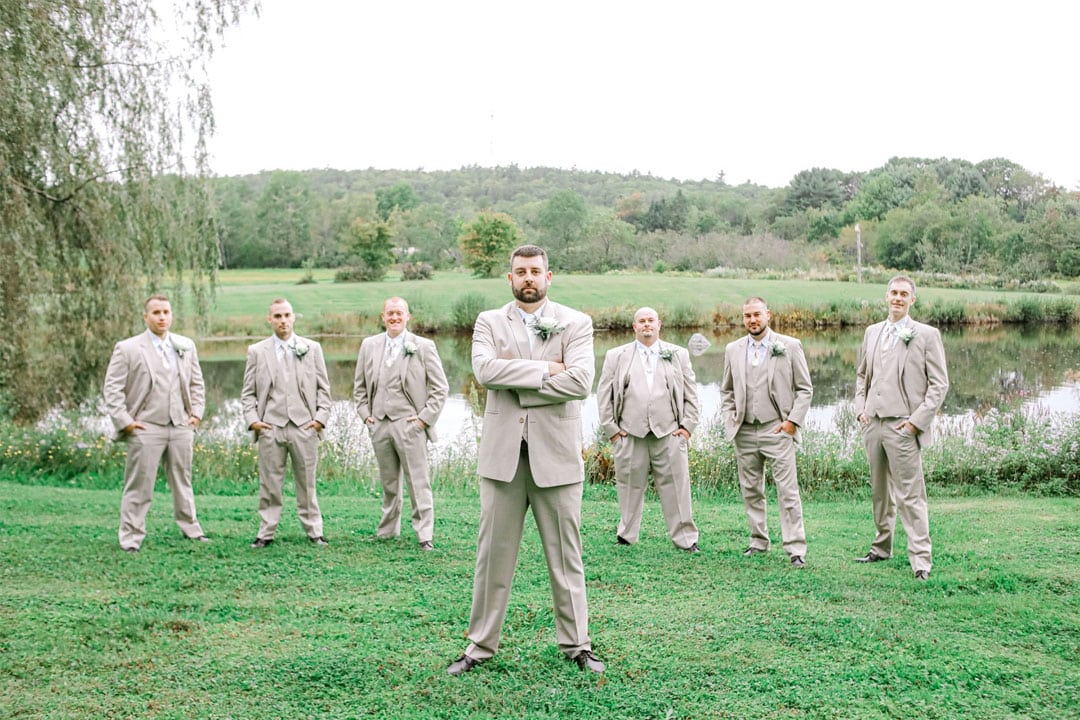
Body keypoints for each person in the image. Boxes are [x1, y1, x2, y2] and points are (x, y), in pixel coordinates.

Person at [446, 245, 604, 676]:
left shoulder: (577, 322)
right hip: (503, 460)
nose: (528, 278)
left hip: (556, 456)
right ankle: (479, 647)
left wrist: (516, 375)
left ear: (549, 277)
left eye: (535, 271)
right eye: (521, 272)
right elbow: (484, 373)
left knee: (566, 556)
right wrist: (548, 370)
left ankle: (577, 645)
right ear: (510, 279)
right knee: (491, 557)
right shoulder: (488, 322)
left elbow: (581, 381)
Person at [854, 275, 949, 581]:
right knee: (880, 493)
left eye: (903, 294)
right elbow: (861, 376)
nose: (897, 298)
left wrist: (915, 422)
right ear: (886, 296)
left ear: (912, 300)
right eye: (893, 292)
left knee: (910, 495)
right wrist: (860, 410)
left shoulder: (925, 335)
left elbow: (939, 385)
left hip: (903, 427)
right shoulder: (872, 332)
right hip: (874, 425)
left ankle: (921, 560)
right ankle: (882, 547)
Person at [103, 294, 209, 552]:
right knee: (139, 485)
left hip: (181, 426)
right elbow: (112, 389)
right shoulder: (128, 348)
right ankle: (131, 538)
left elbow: (196, 383)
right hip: (146, 427)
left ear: (171, 315)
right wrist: (126, 422)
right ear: (146, 316)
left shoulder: (185, 345)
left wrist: (195, 414)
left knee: (183, 481)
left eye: (166, 312)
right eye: (157, 312)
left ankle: (191, 529)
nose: (162, 317)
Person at [596, 306, 700, 552]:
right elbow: (604, 394)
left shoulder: (678, 354)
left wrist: (687, 427)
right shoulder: (616, 355)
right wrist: (612, 429)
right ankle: (627, 534)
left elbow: (691, 395)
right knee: (629, 484)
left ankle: (685, 539)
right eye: (641, 321)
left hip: (669, 433)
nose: (646, 325)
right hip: (630, 433)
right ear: (634, 326)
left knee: (677, 486)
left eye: (650, 320)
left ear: (659, 324)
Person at [720, 297, 813, 566]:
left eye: (757, 314)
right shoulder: (732, 349)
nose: (752, 320)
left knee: (788, 491)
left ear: (768, 315)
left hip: (778, 429)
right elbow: (726, 390)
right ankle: (758, 541)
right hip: (745, 431)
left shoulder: (790, 346)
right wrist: (731, 421)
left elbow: (805, 389)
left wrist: (792, 422)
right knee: (751, 490)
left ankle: (796, 548)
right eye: (747, 315)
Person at [353, 297, 449, 550]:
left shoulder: (423, 346)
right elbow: (359, 387)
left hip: (410, 425)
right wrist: (366, 416)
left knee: (418, 481)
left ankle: (424, 534)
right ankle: (387, 530)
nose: (394, 318)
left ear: (408, 317)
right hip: (380, 424)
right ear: (383, 317)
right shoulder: (369, 345)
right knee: (388, 482)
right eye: (390, 313)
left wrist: (422, 420)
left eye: (399, 313)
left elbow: (440, 389)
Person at [241, 298, 332, 548]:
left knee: (307, 482)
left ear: (294, 317)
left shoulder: (311, 348)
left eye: (287, 315)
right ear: (269, 319)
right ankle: (265, 532)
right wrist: (254, 421)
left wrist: (319, 420)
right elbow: (248, 393)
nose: (283, 321)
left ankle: (314, 530)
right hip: (271, 426)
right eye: (278, 316)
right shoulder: (257, 351)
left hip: (305, 426)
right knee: (270, 483)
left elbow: (324, 389)